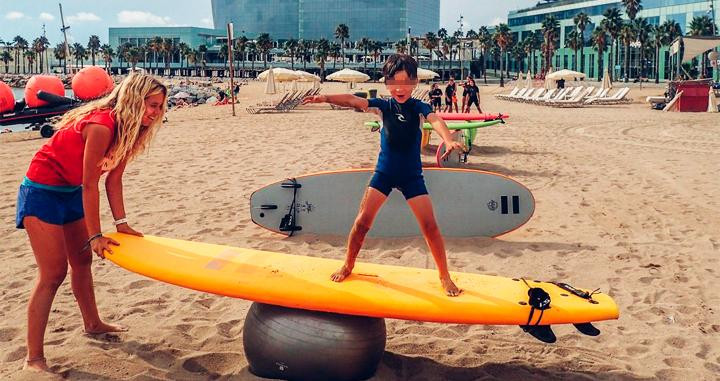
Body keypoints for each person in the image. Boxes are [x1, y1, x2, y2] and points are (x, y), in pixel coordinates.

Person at [15, 73, 168, 372]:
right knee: (53, 272)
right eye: (151, 104)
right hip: (42, 192)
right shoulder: (102, 125)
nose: (156, 112)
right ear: (134, 99)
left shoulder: (132, 130)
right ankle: (33, 358)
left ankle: (93, 323)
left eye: (160, 107)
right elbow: (90, 184)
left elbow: (113, 179)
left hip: (71, 192)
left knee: (82, 262)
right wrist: (95, 234)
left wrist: (121, 223)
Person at [303, 54, 463, 297]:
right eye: (394, 82)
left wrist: (449, 139)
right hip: (384, 174)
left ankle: (444, 276)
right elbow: (352, 100)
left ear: (415, 83)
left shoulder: (419, 107)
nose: (400, 88)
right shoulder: (383, 106)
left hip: (412, 177)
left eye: (407, 82)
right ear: (386, 82)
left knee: (430, 227)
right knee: (362, 223)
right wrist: (325, 97)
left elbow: (436, 120)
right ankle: (348, 265)